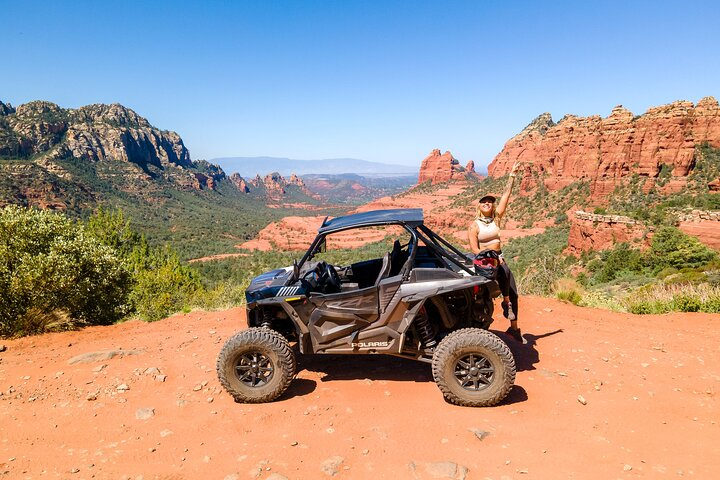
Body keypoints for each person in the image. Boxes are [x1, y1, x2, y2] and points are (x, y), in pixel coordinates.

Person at [468, 162, 523, 342]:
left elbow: (506, 196)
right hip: (486, 264)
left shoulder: (496, 220)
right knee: (482, 296)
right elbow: (475, 249)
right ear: (479, 206)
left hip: (500, 260)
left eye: (490, 202)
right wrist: (487, 255)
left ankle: (513, 327)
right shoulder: (474, 226)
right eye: (484, 202)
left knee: (513, 290)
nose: (487, 204)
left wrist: (512, 176)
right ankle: (477, 328)